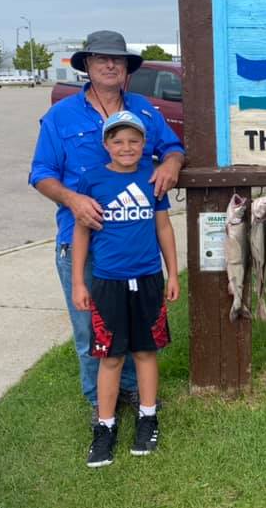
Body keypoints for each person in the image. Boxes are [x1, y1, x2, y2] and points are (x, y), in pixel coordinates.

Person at [29, 30, 185, 422]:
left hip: (135, 243)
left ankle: (133, 393)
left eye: (117, 59)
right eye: (101, 59)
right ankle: (99, 403)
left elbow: (172, 147)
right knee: (92, 331)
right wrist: (72, 199)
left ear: (127, 69)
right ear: (87, 66)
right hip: (81, 240)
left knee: (134, 327)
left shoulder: (145, 110)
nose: (110, 65)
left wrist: (171, 163)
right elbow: (41, 172)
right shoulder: (61, 116)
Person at [72, 110, 180, 467]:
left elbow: (163, 228)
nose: (126, 147)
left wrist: (173, 274)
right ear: (106, 145)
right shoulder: (92, 181)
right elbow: (81, 233)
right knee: (112, 356)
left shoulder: (152, 179)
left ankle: (148, 416)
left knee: (146, 351)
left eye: (134, 140)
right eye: (118, 141)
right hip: (107, 281)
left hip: (148, 278)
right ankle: (105, 426)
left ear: (144, 144)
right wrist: (78, 282)